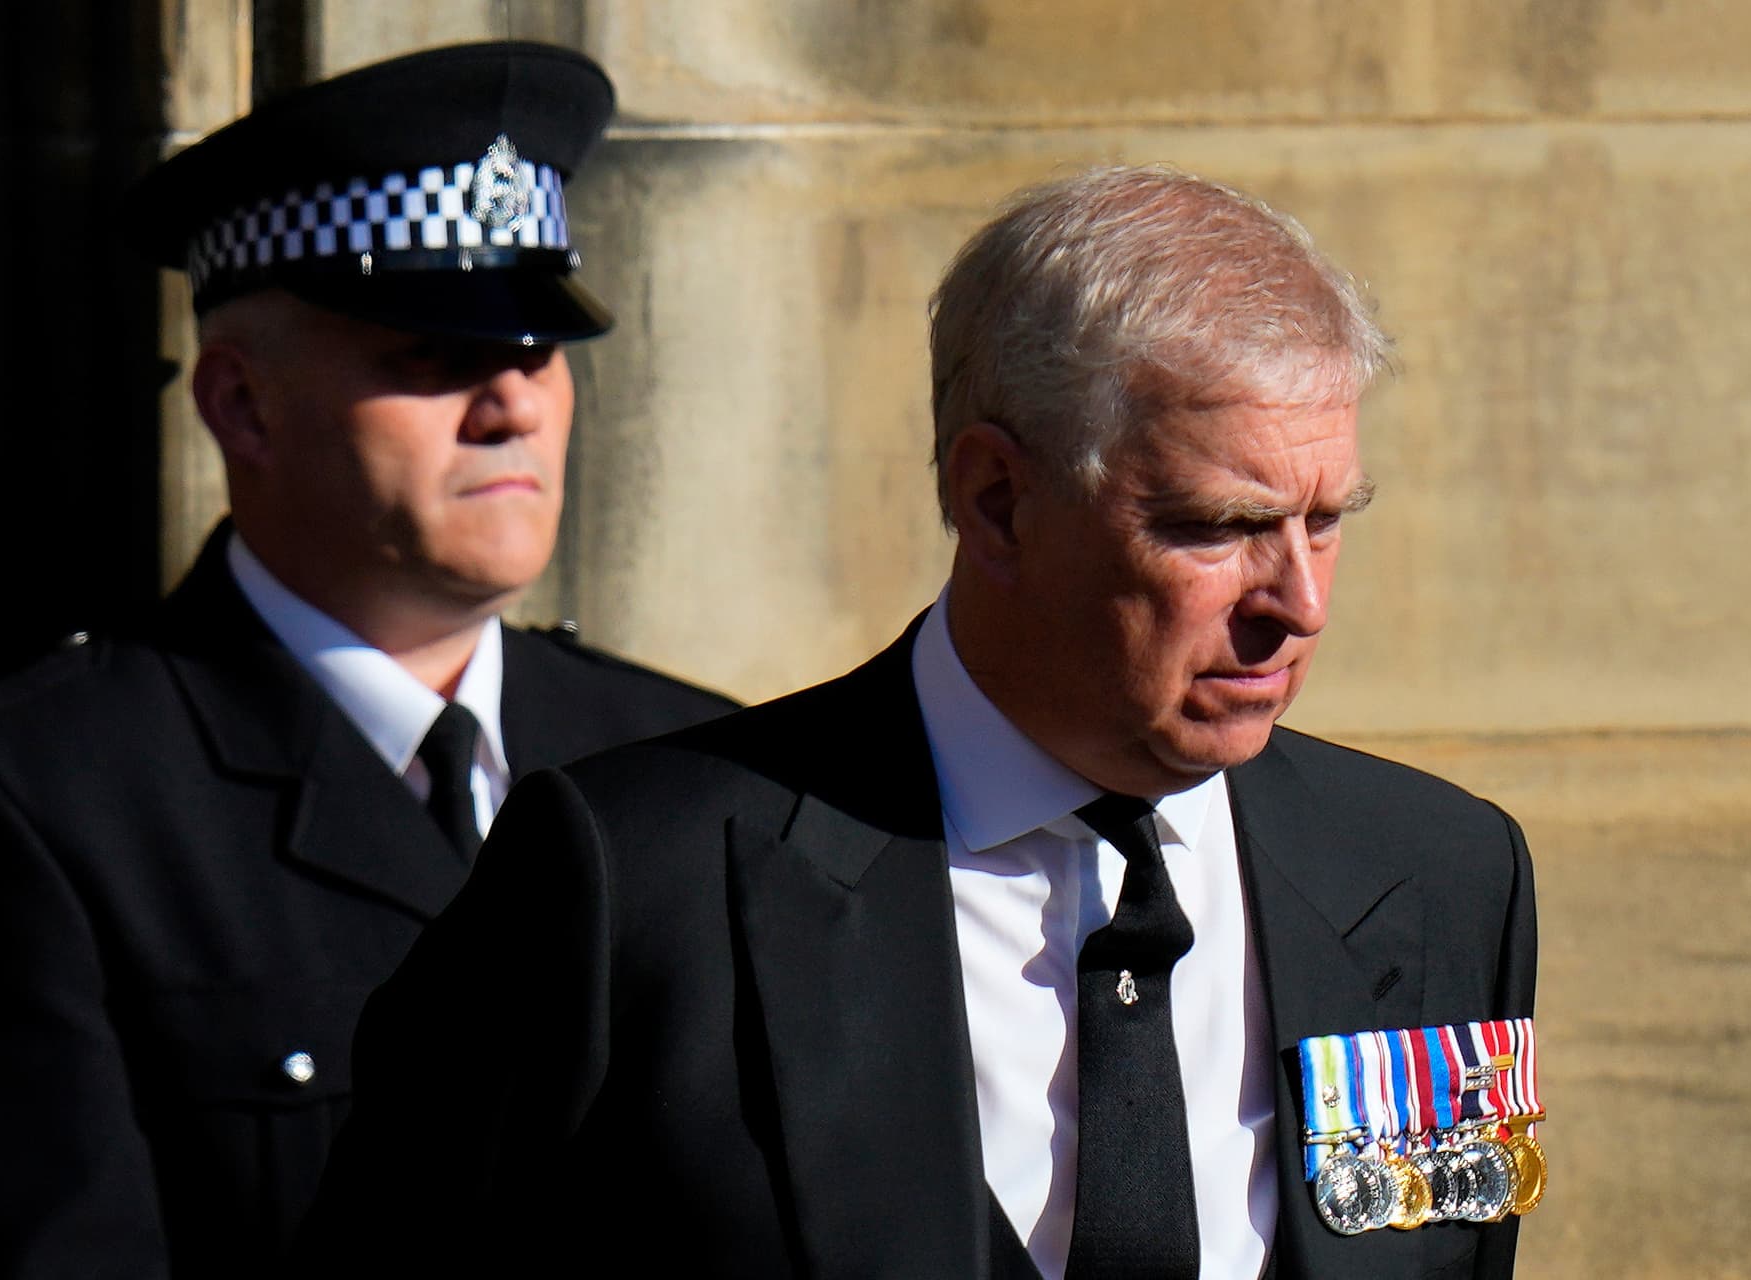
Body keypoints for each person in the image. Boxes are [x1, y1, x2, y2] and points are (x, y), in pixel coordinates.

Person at [294, 166, 1536, 1279]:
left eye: (1327, 520)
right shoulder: (638, 885)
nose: (1298, 603)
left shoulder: (1435, 875)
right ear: (995, 498)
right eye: (1216, 526)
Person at [0, 42, 733, 1279]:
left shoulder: (693, 761)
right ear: (242, 406)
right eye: (431, 358)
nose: (510, 404)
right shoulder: (39, 802)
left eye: (536, 352)